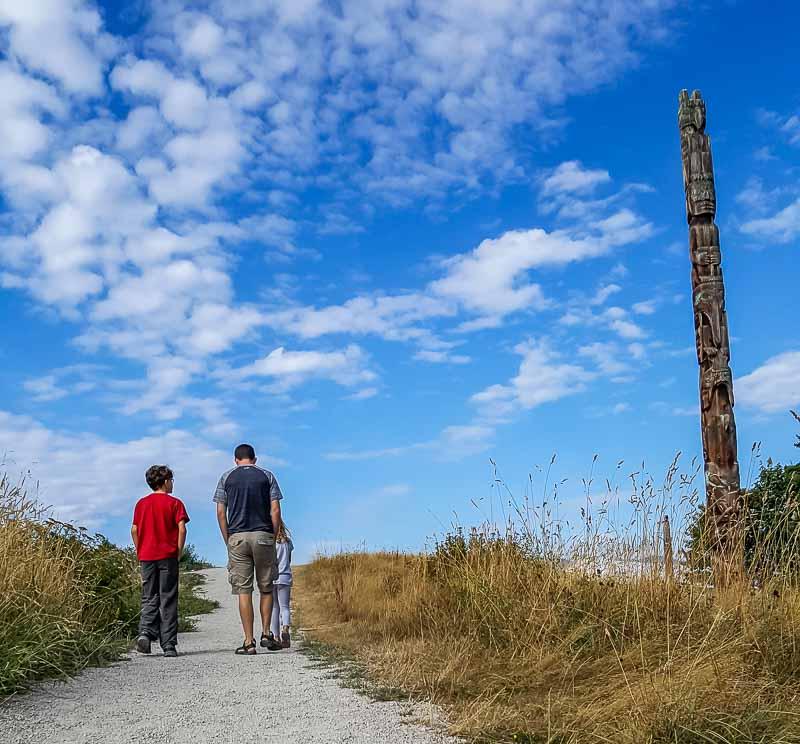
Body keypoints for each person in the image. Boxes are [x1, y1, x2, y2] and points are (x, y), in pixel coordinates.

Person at [214, 443, 284, 655]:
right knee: (266, 587)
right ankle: (265, 633)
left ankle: (248, 641)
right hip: (263, 534)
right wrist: (272, 535)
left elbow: (220, 512)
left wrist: (228, 538)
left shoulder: (226, 478)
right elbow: (275, 509)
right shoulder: (267, 476)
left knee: (243, 590)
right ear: (254, 459)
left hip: (237, 537)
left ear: (236, 460)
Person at [131, 465, 189, 658]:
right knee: (168, 598)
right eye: (171, 480)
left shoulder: (141, 504)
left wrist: (140, 550)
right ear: (165, 481)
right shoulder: (175, 503)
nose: (172, 484)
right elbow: (182, 529)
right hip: (167, 556)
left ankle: (145, 634)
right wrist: (178, 552)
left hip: (147, 556)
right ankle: (169, 644)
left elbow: (134, 530)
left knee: (149, 596)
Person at [267, 521, 293, 649]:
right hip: (285, 576)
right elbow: (289, 559)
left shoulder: (270, 542)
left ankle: (276, 637)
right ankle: (285, 628)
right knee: (285, 607)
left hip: (272, 577)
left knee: (274, 608)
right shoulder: (288, 542)